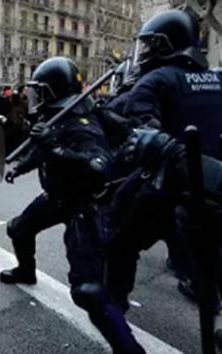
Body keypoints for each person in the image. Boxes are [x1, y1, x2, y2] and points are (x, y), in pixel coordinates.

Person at [2, 57, 144, 353]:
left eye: (38, 90)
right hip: (57, 197)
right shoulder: (57, 116)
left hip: (84, 206)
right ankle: (25, 271)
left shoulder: (82, 124)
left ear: (52, 91)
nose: (34, 96)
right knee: (18, 229)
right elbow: (42, 153)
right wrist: (23, 165)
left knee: (88, 291)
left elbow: (97, 168)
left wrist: (55, 147)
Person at [105, 9, 222, 329]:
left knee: (120, 236)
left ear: (163, 44)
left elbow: (142, 133)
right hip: (212, 186)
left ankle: (115, 304)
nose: (145, 53)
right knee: (206, 250)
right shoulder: (217, 78)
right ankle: (208, 295)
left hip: (170, 179)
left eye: (149, 45)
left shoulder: (155, 80)